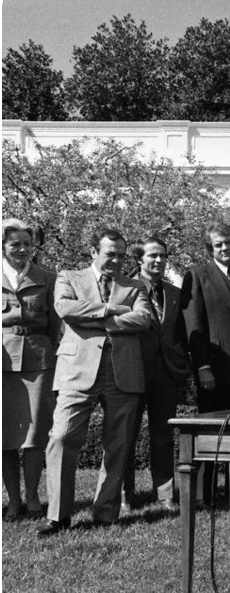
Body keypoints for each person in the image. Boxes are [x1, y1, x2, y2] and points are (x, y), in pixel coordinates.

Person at [37, 228, 152, 535]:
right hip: (76, 370)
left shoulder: (136, 285)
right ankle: (58, 516)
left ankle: (106, 513)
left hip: (122, 372)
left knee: (118, 444)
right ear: (93, 252)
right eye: (109, 253)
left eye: (120, 254)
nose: (115, 259)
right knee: (61, 437)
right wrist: (111, 310)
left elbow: (143, 319)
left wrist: (94, 318)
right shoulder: (69, 277)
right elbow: (65, 309)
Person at [181, 222, 230, 506]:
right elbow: (194, 325)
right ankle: (204, 495)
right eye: (218, 245)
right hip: (215, 368)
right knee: (212, 433)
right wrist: (202, 367)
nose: (224, 248)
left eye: (228, 242)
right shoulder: (197, 275)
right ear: (210, 249)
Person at [123, 236, 190, 511]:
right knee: (126, 434)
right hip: (133, 370)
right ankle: (125, 495)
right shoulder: (125, 288)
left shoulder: (174, 293)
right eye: (152, 255)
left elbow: (180, 333)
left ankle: (165, 495)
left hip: (167, 372)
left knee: (163, 436)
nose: (159, 260)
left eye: (163, 255)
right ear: (139, 259)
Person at [2, 219, 60, 521]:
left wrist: (47, 353)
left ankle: (34, 496)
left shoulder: (48, 277)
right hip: (3, 366)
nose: (22, 249)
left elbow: (54, 327)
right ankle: (13, 499)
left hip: (39, 362)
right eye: (15, 244)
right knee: (7, 437)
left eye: (27, 243)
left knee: (36, 434)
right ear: (3, 246)